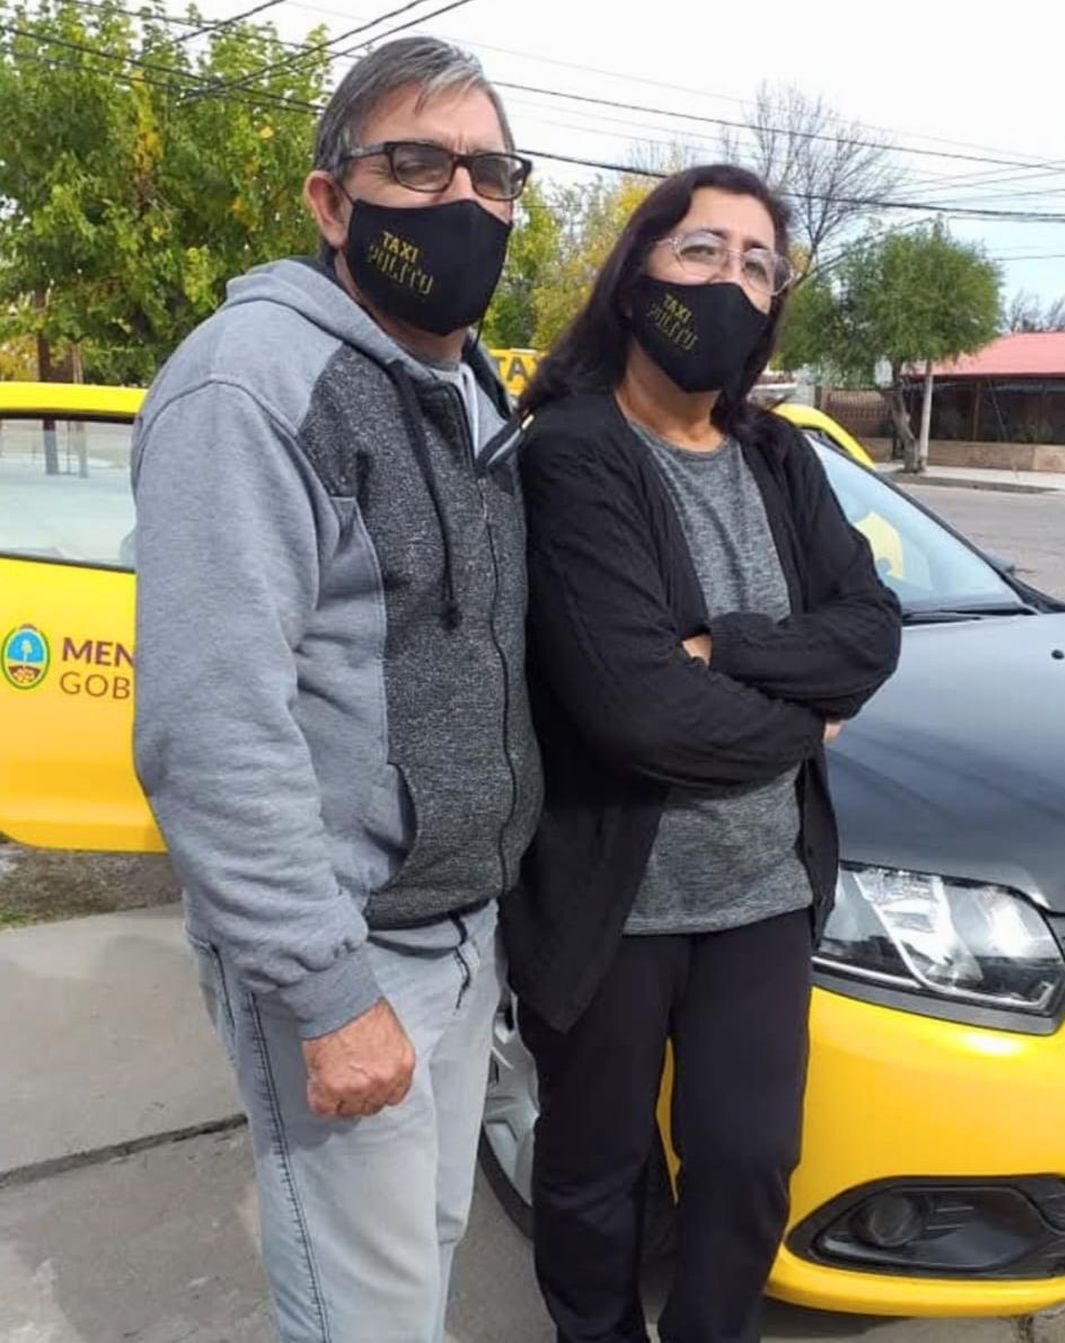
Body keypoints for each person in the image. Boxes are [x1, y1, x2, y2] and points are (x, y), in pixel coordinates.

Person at [131, 37, 541, 1343]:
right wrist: (327, 989)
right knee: (362, 1314)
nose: (459, 197)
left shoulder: (466, 385)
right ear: (329, 199)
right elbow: (211, 731)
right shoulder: (247, 384)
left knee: (413, 1263)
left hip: (462, 932)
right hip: (353, 950)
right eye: (414, 162)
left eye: (490, 171)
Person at [502, 164, 902, 1343]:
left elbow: (870, 630)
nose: (731, 280)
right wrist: (804, 720)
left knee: (745, 1163)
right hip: (611, 907)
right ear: (636, 277)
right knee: (594, 1173)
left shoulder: (779, 456)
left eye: (759, 264)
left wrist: (721, 642)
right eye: (702, 252)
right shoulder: (573, 453)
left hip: (760, 898)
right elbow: (638, 712)